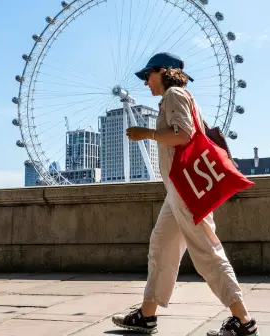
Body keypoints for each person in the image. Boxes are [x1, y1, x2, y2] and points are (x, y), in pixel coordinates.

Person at [111, 52, 259, 336]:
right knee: (162, 246)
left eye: (147, 75)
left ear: (162, 72)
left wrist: (146, 133)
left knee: (206, 251)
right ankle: (147, 314)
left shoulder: (174, 94)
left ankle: (243, 321)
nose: (145, 82)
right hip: (177, 190)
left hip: (185, 189)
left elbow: (185, 136)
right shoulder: (179, 96)